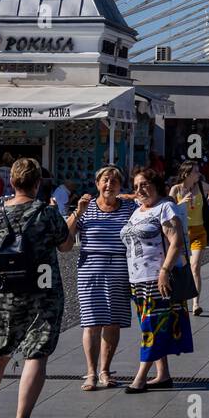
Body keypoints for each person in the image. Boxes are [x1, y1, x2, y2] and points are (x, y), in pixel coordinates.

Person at [0, 158, 72, 418]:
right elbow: (65, 245)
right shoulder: (46, 213)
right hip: (42, 291)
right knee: (36, 353)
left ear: (12, 182)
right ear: (38, 183)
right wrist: (71, 218)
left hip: (6, 291)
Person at [121, 169, 193, 392]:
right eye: (136, 186)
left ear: (156, 184)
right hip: (138, 280)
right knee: (150, 326)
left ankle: (140, 378)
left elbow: (176, 241)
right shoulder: (138, 210)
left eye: (144, 184)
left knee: (152, 328)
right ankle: (163, 375)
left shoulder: (165, 208)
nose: (140, 190)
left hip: (157, 279)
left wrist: (164, 270)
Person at [67, 166, 133, 391]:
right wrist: (77, 212)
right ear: (97, 184)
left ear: (120, 186)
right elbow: (65, 243)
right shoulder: (85, 208)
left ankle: (105, 370)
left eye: (114, 181)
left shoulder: (129, 209)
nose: (109, 185)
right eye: (105, 180)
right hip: (90, 271)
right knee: (92, 323)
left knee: (113, 323)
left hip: (119, 270)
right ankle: (91, 373)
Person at [170, 161, 209, 315]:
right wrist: (181, 202)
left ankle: (196, 303)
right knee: (181, 268)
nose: (198, 174)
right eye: (195, 171)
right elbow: (166, 209)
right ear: (186, 174)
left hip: (199, 231)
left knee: (195, 266)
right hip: (181, 233)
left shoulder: (201, 185)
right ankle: (179, 300)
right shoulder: (175, 189)